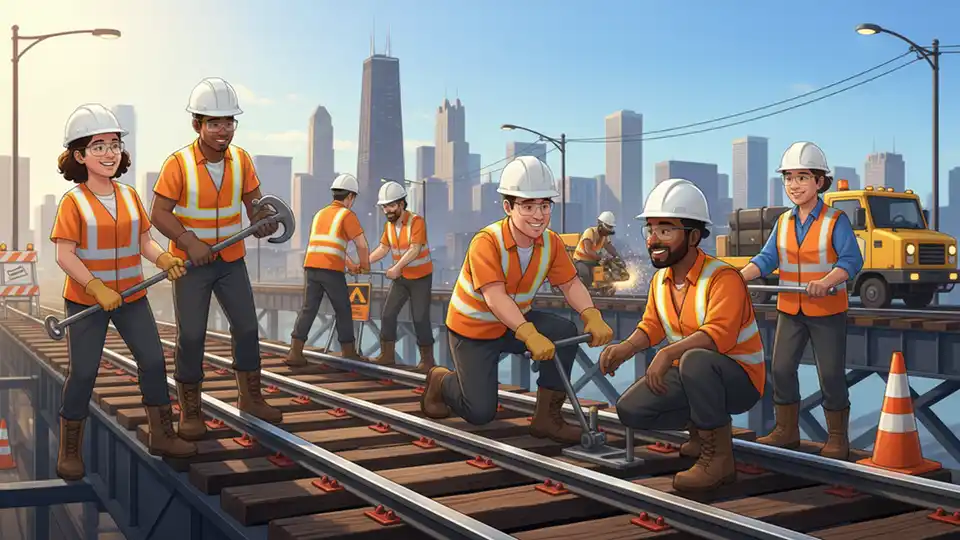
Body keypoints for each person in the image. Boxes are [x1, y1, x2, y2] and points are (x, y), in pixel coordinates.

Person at [420, 156, 614, 443]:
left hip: (513, 323)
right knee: (480, 413)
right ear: (508, 207)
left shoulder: (551, 243)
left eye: (544, 206)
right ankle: (441, 380)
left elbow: (570, 282)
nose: (538, 215)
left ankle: (547, 418)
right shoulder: (486, 242)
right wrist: (528, 334)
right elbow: (495, 297)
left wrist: (590, 314)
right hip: (473, 329)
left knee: (564, 332)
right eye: (528, 206)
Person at [51, 104, 197, 481]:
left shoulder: (130, 196)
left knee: (152, 360)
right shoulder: (73, 202)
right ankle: (70, 450)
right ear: (79, 156)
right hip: (87, 301)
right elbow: (64, 254)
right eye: (98, 146)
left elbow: (145, 241)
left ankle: (162, 434)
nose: (109, 153)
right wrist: (95, 286)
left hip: (132, 296)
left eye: (114, 144)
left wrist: (164, 258)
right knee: (83, 372)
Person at [599, 179, 765, 492]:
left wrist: (667, 354)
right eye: (650, 230)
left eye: (665, 230)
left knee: (695, 360)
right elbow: (652, 326)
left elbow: (720, 336)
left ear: (692, 236)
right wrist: (625, 349)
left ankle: (719, 460)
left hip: (740, 380)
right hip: (693, 375)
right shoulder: (660, 281)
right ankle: (701, 432)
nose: (653, 240)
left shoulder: (723, 278)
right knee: (630, 409)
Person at [151, 77, 283, 441]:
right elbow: (158, 213)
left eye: (229, 122)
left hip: (230, 261)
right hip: (192, 266)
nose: (223, 130)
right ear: (198, 125)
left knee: (246, 328)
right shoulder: (178, 164)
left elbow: (255, 206)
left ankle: (250, 397)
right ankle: (190, 410)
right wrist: (186, 239)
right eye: (215, 123)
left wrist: (260, 223)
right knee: (191, 336)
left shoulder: (241, 160)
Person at [740, 142, 863, 460]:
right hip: (789, 309)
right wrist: (740, 276)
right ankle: (786, 430)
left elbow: (851, 261)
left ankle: (837, 437)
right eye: (789, 178)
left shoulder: (835, 221)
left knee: (831, 374)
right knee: (780, 369)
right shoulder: (783, 222)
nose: (794, 185)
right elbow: (767, 259)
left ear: (820, 182)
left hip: (827, 310)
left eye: (802, 177)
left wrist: (826, 282)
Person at [286, 173, 371, 365]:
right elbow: (362, 245)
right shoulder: (346, 215)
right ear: (350, 197)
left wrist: (350, 265)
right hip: (331, 269)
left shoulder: (320, 214)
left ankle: (295, 352)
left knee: (308, 308)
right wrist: (364, 266)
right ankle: (348, 351)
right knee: (343, 308)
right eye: (353, 199)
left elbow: (332, 245)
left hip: (311, 266)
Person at [368, 181, 435, 371]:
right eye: (384, 207)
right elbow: (383, 248)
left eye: (391, 206)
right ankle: (387, 354)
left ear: (402, 204)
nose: (387, 210)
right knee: (388, 314)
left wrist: (396, 267)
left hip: (420, 277)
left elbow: (415, 249)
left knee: (420, 317)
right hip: (402, 278)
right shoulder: (389, 226)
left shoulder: (417, 222)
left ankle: (427, 360)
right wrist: (365, 262)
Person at [573, 211, 620, 287]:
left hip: (593, 260)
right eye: (608, 227)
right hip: (581, 260)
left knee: (606, 270)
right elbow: (588, 250)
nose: (609, 231)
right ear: (601, 226)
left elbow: (609, 247)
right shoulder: (590, 232)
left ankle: (603, 285)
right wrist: (601, 258)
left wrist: (617, 257)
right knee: (585, 274)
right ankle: (581, 288)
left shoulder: (604, 236)